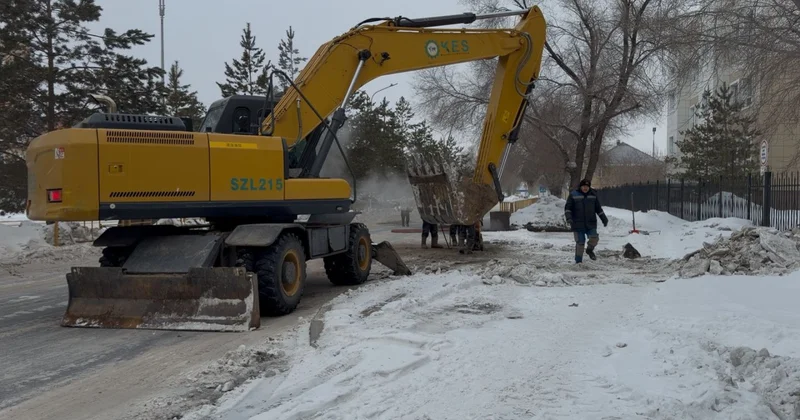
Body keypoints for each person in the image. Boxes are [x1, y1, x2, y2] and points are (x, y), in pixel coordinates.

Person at [564, 179, 608, 263]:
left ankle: (589, 250)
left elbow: (598, 209)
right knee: (580, 243)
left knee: (594, 238)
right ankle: (578, 261)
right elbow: (568, 208)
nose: (585, 188)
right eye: (584, 186)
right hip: (577, 224)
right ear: (580, 187)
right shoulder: (573, 195)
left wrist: (604, 219)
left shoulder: (593, 195)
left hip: (590, 223)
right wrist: (569, 218)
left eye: (587, 186)